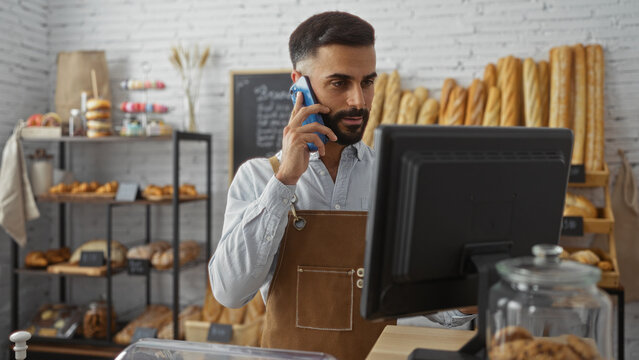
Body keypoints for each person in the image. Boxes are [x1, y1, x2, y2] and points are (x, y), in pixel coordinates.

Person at [209, 11, 474, 359]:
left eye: (367, 82)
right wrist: (285, 181)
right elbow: (230, 292)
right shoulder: (258, 177)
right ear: (298, 85)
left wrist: (471, 293)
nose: (358, 102)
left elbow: (437, 307)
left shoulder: (395, 178)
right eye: (339, 83)